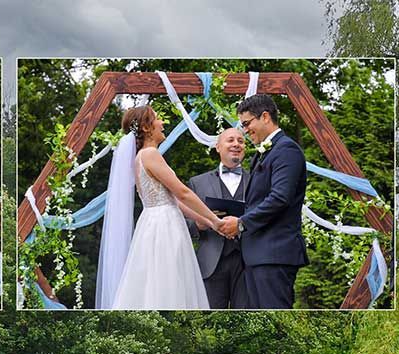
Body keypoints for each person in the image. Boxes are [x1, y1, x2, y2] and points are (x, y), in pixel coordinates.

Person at [106, 105, 222, 310]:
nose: (162, 123)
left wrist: (207, 221)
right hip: (164, 226)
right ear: (145, 127)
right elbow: (182, 193)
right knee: (168, 279)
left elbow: (173, 200)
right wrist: (216, 220)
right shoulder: (150, 154)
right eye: (157, 119)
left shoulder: (140, 157)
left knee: (159, 279)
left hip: (155, 221)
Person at [219, 94, 309, 309]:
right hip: (258, 255)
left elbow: (280, 198)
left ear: (265, 117)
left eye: (247, 123)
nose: (245, 130)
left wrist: (241, 223)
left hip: (274, 254)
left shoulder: (286, 150)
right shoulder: (263, 154)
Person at [185, 127, 250, 309]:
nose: (236, 144)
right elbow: (183, 223)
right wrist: (199, 224)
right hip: (211, 263)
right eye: (230, 140)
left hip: (248, 262)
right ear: (218, 147)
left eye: (241, 141)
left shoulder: (257, 180)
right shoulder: (198, 183)